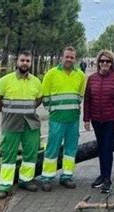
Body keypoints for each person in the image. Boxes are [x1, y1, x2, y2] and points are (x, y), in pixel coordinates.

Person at [0, 51, 42, 199]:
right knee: (8, 154)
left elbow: (39, 100)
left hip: (31, 124)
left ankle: (26, 180)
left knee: (31, 152)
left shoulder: (36, 82)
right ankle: (5, 185)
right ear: (17, 62)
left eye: (28, 60)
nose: (25, 63)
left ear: (30, 63)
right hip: (11, 123)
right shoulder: (4, 81)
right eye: (23, 60)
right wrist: (8, 112)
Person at [37, 46, 86, 191]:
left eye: (72, 57)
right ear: (62, 57)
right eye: (67, 57)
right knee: (52, 148)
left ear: (75, 58)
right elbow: (45, 97)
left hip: (73, 119)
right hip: (57, 119)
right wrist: (53, 110)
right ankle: (47, 177)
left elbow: (80, 96)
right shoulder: (51, 74)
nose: (69, 60)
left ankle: (67, 176)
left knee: (71, 149)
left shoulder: (80, 75)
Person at [83, 50, 114, 193]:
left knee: (107, 148)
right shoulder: (92, 79)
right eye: (102, 61)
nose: (104, 63)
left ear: (111, 63)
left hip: (110, 120)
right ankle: (102, 175)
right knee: (101, 148)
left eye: (107, 61)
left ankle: (107, 179)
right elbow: (87, 100)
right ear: (98, 63)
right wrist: (86, 118)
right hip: (96, 119)